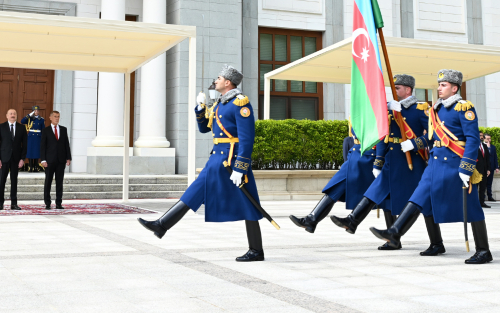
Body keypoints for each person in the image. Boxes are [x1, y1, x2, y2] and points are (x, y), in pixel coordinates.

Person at [138, 66, 265, 262]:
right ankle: (162, 224)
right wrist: (200, 109)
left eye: (219, 78)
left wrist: (241, 167)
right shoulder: (220, 104)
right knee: (195, 190)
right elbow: (206, 129)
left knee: (248, 203)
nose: (216, 81)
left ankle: (256, 250)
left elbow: (247, 138)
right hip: (216, 159)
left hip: (231, 160)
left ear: (228, 83)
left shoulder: (241, 104)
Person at [370, 69, 492, 264]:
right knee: (419, 197)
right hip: (435, 163)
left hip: (455, 164)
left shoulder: (464, 108)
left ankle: (484, 250)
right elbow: (430, 139)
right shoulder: (436, 109)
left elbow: (472, 139)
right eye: (439, 84)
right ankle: (396, 232)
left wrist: (467, 167)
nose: (439, 88)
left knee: (471, 207)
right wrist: (415, 143)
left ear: (454, 88)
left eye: (443, 85)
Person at [330, 74, 430, 251]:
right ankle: (354, 221)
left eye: (397, 88)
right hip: (392, 161)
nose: (394, 91)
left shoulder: (420, 109)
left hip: (411, 163)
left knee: (419, 203)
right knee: (375, 193)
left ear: (408, 89)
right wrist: (378, 162)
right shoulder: (392, 109)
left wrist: (414, 143)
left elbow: (432, 135)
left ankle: (435, 242)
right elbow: (385, 137)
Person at [289, 123, 376, 233]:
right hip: (356, 153)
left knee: (384, 196)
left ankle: (393, 235)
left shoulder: (381, 109)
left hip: (369, 154)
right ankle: (311, 219)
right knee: (335, 186)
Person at [0, 108, 27, 210]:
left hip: (16, 159)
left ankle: (14, 203)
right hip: (4, 159)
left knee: (14, 181)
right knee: (2, 181)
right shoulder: (1, 127)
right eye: (11, 114)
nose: (13, 115)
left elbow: (25, 145)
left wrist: (22, 159)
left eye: (14, 114)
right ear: (7, 115)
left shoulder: (22, 128)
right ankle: (0, 203)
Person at [39, 110, 72, 210]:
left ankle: (58, 203)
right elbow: (43, 146)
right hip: (49, 161)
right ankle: (47, 203)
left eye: (58, 116)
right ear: (50, 118)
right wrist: (43, 160)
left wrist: (68, 157)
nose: (57, 118)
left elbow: (66, 144)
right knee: (48, 181)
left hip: (61, 160)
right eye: (55, 116)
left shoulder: (63, 129)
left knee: (59, 182)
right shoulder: (46, 130)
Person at [21, 106, 45, 172]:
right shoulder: (30, 118)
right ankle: (30, 167)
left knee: (37, 152)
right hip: (31, 137)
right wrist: (29, 115)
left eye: (37, 111)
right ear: (33, 111)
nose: (36, 112)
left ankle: (35, 167)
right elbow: (22, 121)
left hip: (38, 137)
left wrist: (43, 138)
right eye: (35, 110)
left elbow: (43, 129)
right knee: (30, 152)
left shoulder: (41, 119)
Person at [483, 134, 499, 202]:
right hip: (484, 167)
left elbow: (495, 157)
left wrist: (496, 167)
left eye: (490, 138)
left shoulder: (493, 147)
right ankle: (482, 197)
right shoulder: (482, 146)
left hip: (491, 167)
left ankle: (490, 196)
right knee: (483, 183)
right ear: (484, 139)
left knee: (489, 183)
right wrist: (487, 148)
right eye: (487, 139)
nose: (489, 140)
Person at [476, 134, 490, 208]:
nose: (481, 137)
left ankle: (482, 202)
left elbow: (487, 158)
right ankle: (474, 203)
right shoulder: (474, 146)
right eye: (480, 135)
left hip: (484, 170)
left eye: (482, 136)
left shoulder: (484, 146)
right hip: (476, 171)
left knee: (483, 188)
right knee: (475, 188)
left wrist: (488, 169)